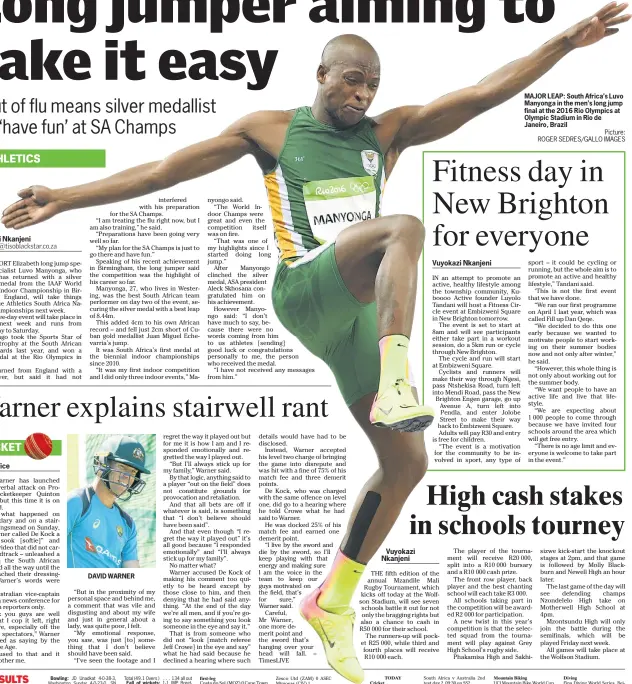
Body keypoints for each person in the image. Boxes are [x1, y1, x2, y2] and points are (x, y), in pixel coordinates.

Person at [4, 3, 629, 679]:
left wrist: (565, 43)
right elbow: (166, 169)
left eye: (371, 86)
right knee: (404, 227)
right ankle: (398, 381)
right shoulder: (269, 130)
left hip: (358, 316)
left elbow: (482, 93)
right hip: (304, 288)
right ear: (322, 73)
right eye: (350, 80)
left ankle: (332, 601)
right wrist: (65, 196)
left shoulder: (390, 132)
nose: (361, 95)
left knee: (407, 466)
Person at [67, 435, 151, 569]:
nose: (127, 477)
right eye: (122, 467)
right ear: (102, 464)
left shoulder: (128, 524)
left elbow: (132, 569)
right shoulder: (76, 502)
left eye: (133, 471)